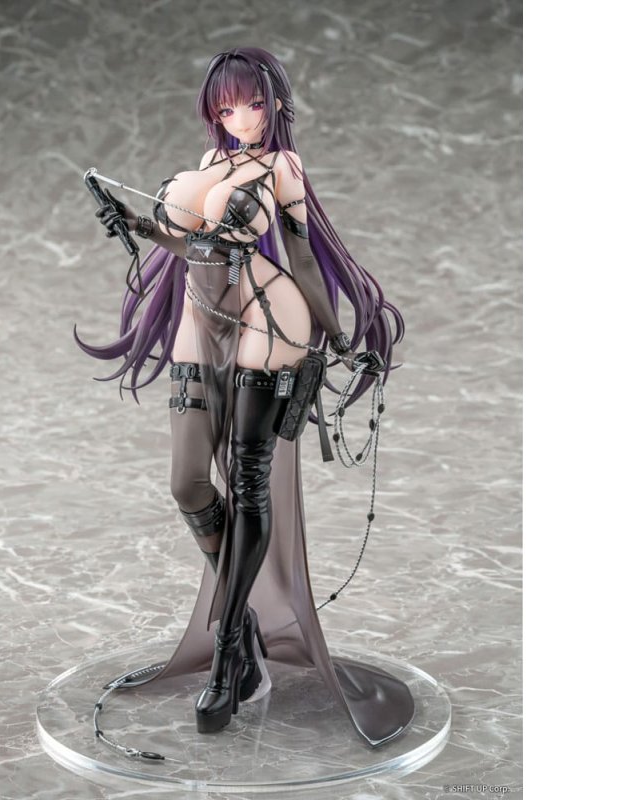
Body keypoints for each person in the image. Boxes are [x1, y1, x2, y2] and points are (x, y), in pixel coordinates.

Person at [75, 47, 414, 748]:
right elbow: (190, 245)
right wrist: (137, 225)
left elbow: (303, 257)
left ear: (276, 104)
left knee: (248, 478)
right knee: (188, 482)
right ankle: (249, 627)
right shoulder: (211, 159)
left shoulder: (282, 167)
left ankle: (231, 651)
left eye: (252, 104)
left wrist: (338, 337)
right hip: (203, 319)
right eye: (226, 107)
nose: (240, 118)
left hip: (271, 318)